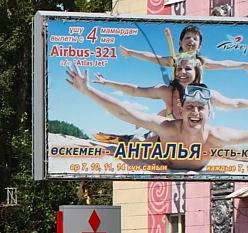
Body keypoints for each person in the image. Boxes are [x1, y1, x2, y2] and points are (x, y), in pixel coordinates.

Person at [66, 65, 248, 170]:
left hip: (183, 162)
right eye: (190, 107)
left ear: (209, 113)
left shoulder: (217, 136)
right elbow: (125, 112)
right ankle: (133, 139)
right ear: (181, 110)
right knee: (139, 143)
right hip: (157, 151)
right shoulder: (168, 127)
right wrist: (88, 91)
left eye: (201, 108)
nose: (195, 112)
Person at [92, 52, 248, 119]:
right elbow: (135, 91)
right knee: (141, 142)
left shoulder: (205, 94)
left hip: (193, 148)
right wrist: (107, 82)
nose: (182, 72)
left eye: (187, 69)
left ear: (197, 72)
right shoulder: (167, 91)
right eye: (179, 69)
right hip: (168, 144)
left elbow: (234, 104)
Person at [119, 24, 248, 73]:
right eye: (188, 38)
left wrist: (243, 64)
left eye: (195, 39)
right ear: (180, 42)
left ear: (199, 46)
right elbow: (153, 57)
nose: (191, 41)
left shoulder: (201, 62)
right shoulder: (175, 60)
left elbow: (223, 64)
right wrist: (131, 52)